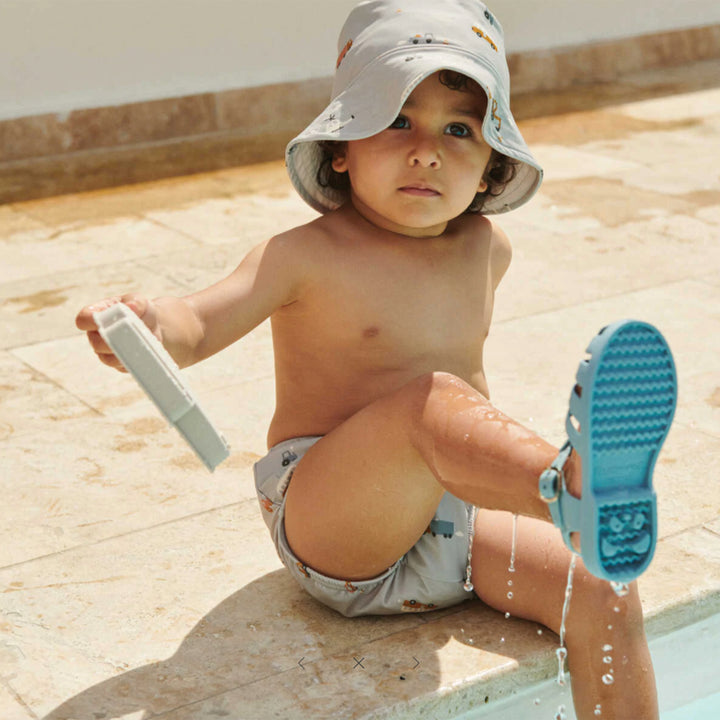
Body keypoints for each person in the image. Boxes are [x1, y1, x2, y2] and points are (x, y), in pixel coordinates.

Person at [76, 2, 677, 717]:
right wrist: (149, 325)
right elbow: (198, 322)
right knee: (431, 401)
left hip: (457, 524)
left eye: (459, 130)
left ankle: (578, 510)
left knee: (605, 589)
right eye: (396, 121)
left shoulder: (487, 249)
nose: (427, 152)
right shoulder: (303, 255)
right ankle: (567, 485)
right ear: (341, 147)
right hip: (339, 527)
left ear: (491, 167)